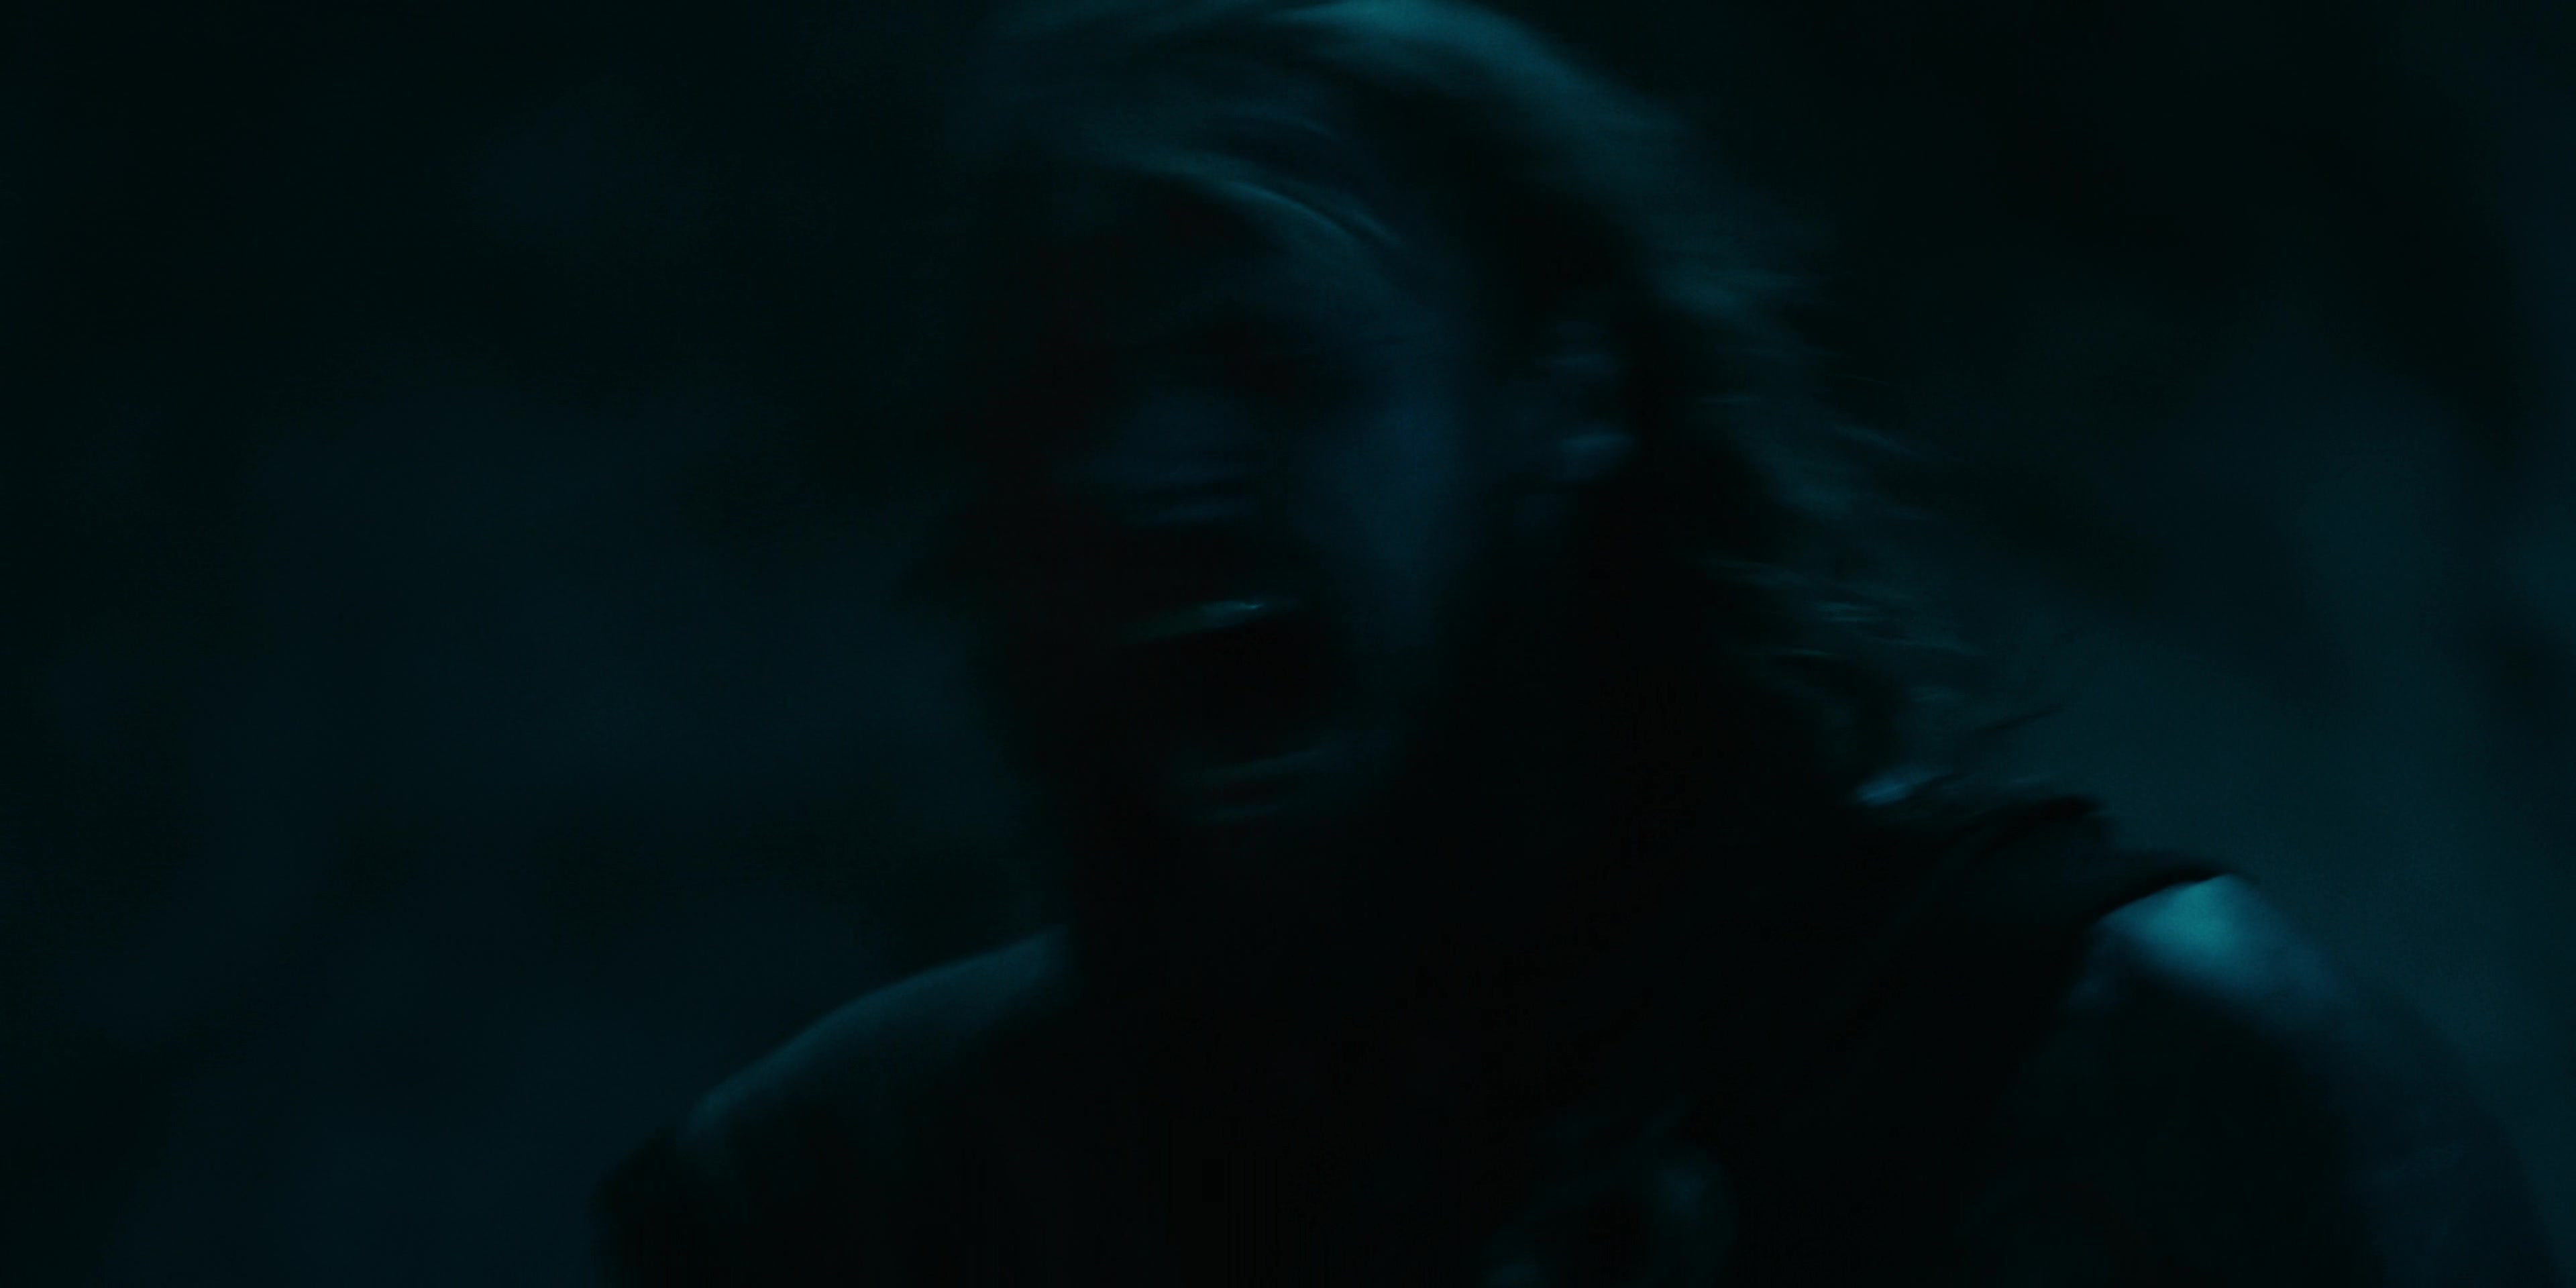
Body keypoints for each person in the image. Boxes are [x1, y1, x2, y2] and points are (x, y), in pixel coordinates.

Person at [593, 1, 2563, 1282]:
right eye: (1063, 393)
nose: (1140, 472)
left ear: (1563, 396)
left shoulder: (2134, 1083)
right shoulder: (848, 1194)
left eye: (1267, 360)